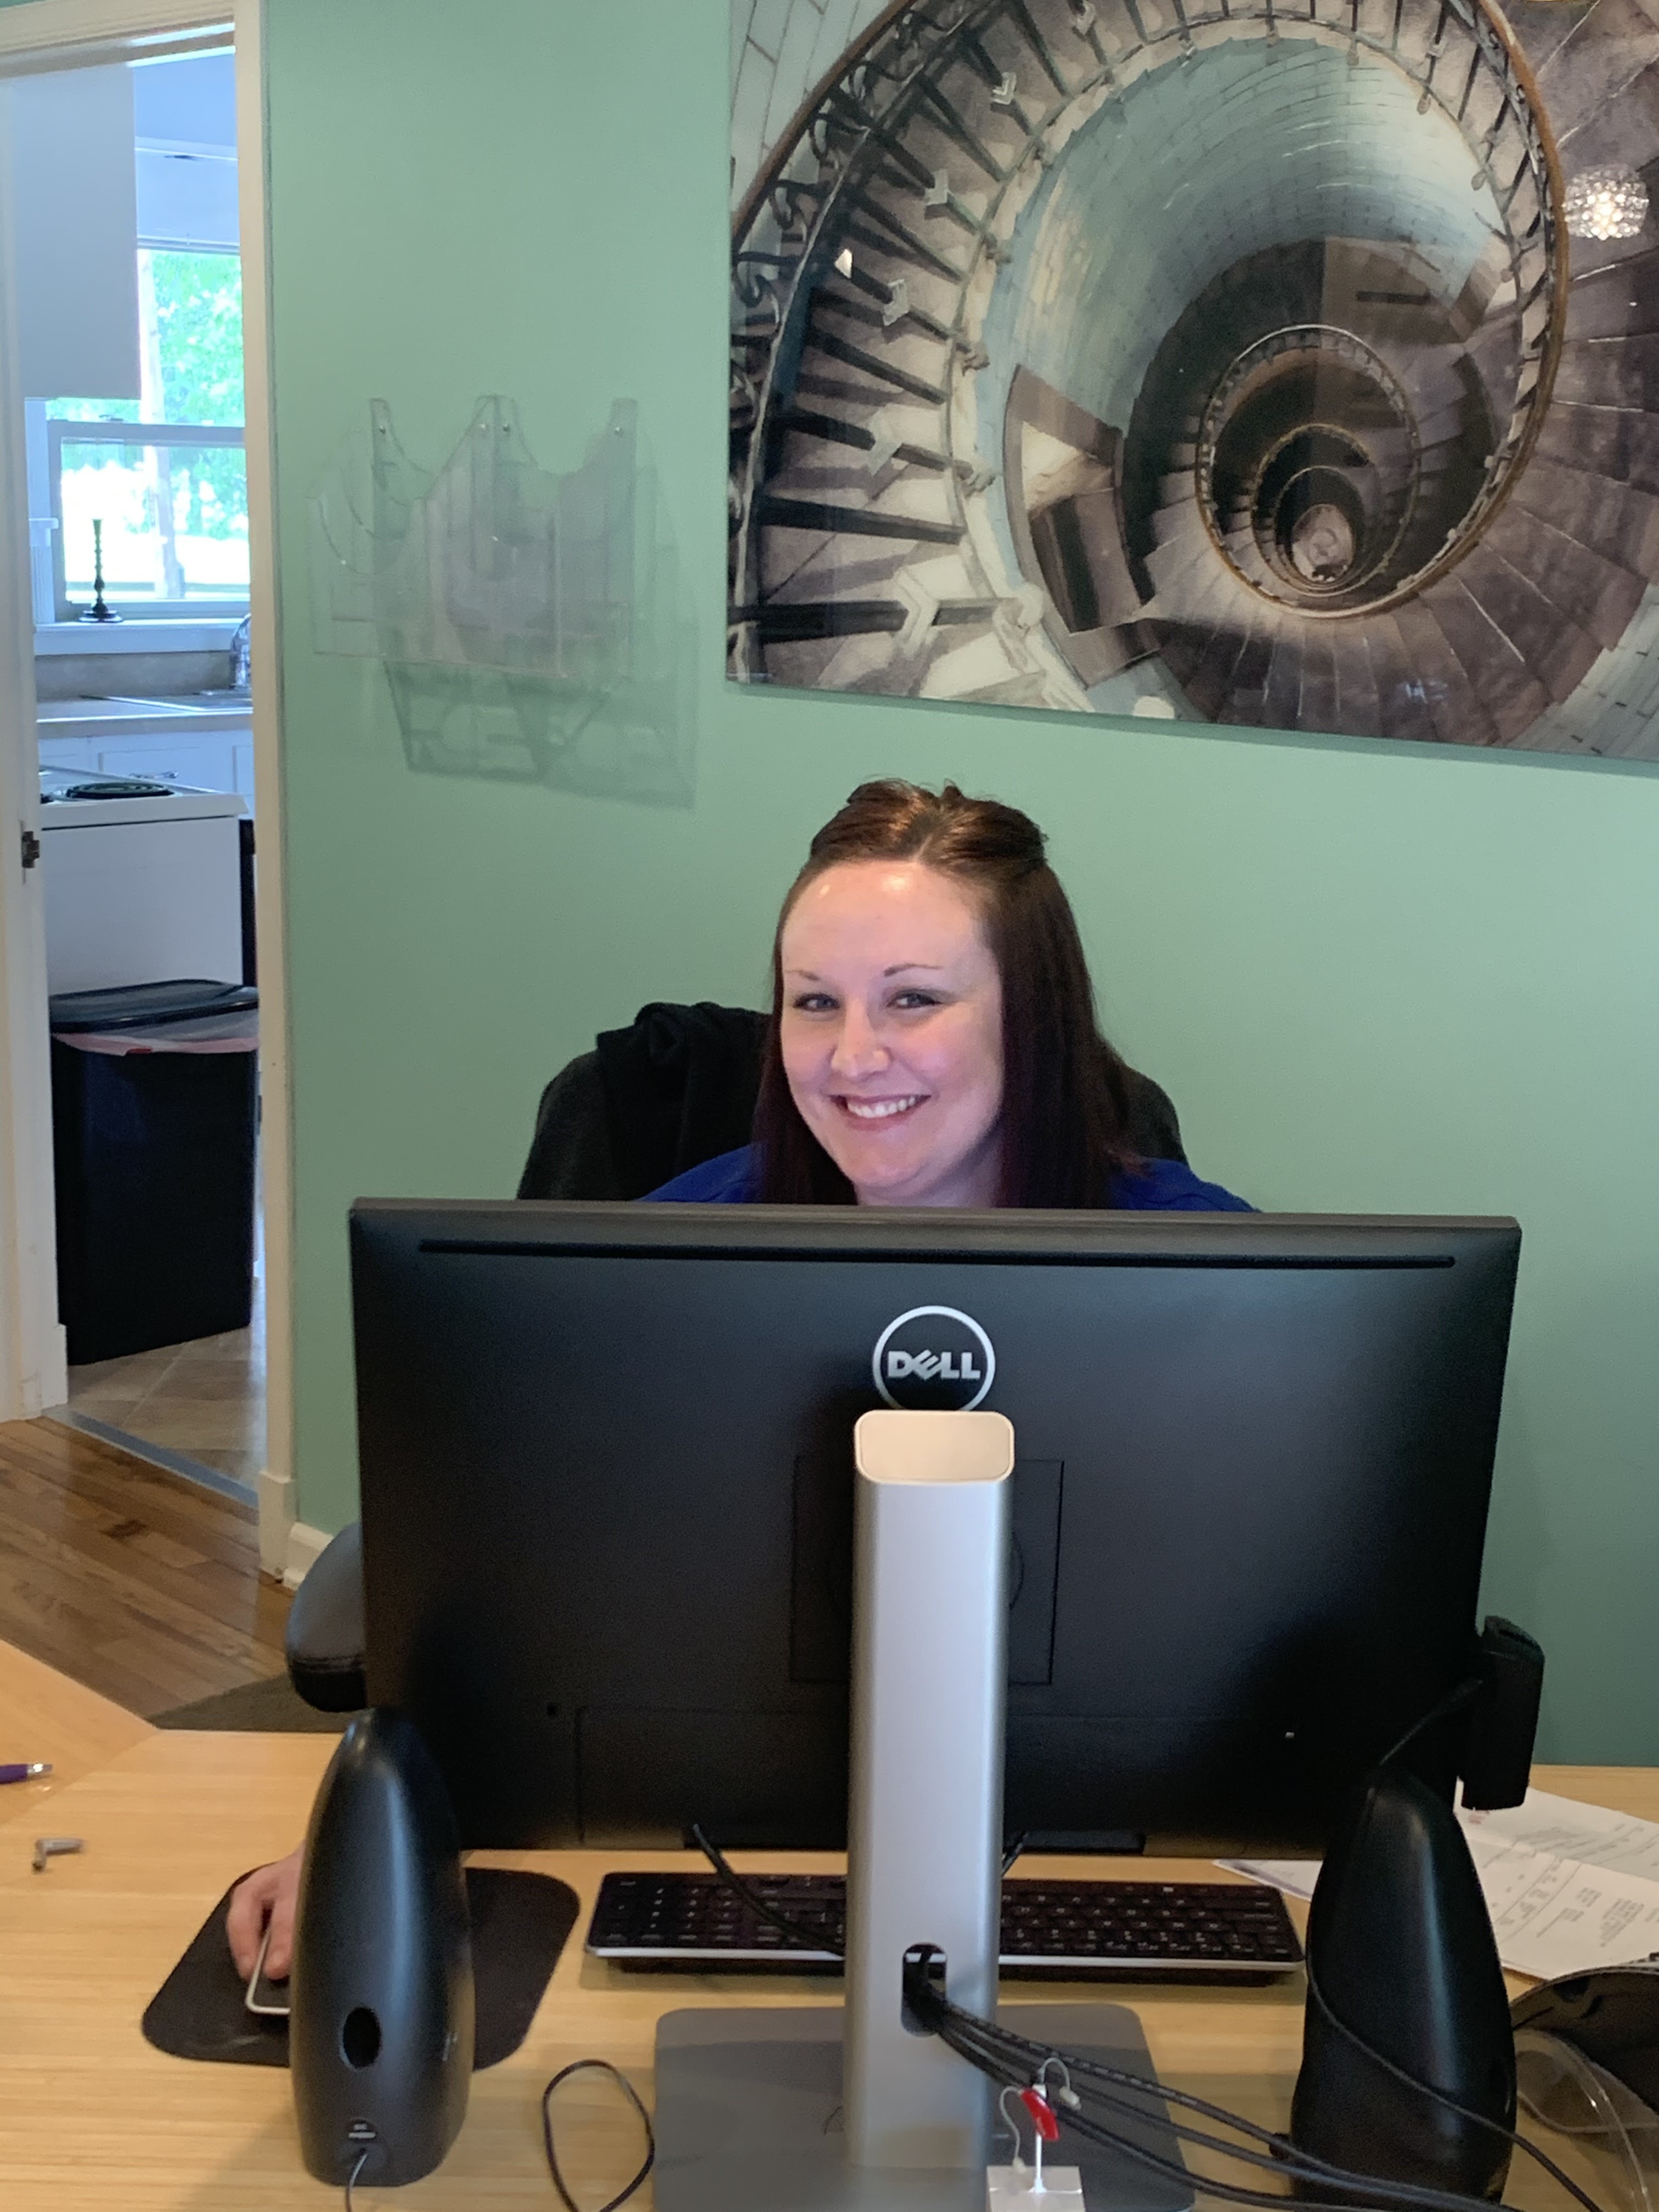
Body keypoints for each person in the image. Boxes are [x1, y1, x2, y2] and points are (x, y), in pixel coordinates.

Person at [225, 779, 1248, 1980]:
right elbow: (515, 1567)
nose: (852, 1056)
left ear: (1035, 1017)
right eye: (813, 1003)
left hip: (1095, 1873)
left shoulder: (1221, 1276)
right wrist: (382, 1822)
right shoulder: (662, 1254)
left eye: (913, 999)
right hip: (712, 1858)